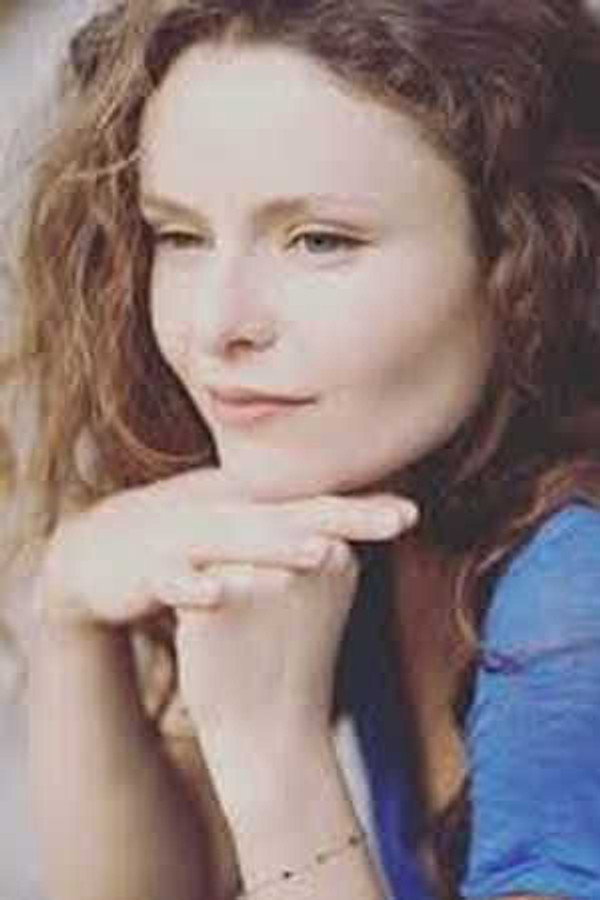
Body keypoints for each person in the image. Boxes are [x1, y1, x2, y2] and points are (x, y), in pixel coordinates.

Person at [8, 0, 600, 897]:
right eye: (180, 236)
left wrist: (274, 754)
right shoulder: (375, 493)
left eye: (321, 241)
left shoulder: (575, 603)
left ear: (534, 251)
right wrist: (67, 614)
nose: (216, 325)